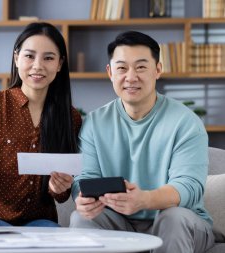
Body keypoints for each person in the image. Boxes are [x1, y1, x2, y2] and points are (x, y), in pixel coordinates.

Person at [70, 31, 214, 252]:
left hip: (182, 221)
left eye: (140, 67)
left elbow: (189, 187)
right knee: (81, 219)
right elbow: (85, 179)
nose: (131, 77)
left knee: (172, 218)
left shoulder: (185, 122)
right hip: (120, 223)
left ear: (158, 70)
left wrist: (145, 199)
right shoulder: (93, 123)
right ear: (110, 72)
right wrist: (83, 200)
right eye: (122, 68)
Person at [0, 22, 82, 227]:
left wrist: (59, 188)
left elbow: (62, 194)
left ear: (59, 64)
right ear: (16, 58)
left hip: (40, 220)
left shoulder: (70, 117)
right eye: (29, 56)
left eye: (48, 58)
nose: (38, 65)